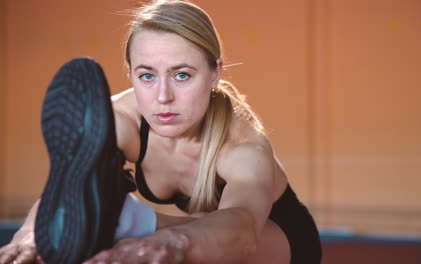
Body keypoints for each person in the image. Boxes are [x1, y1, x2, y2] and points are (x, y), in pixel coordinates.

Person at [0, 0, 322, 263]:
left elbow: (242, 228)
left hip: (276, 238)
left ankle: (130, 221)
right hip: (203, 228)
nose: (163, 96)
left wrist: (171, 242)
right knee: (183, 233)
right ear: (130, 74)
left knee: (196, 248)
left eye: (182, 75)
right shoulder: (120, 119)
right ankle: (128, 220)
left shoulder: (242, 145)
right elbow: (70, 185)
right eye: (147, 76)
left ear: (214, 74)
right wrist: (30, 235)